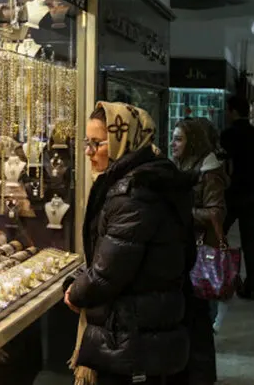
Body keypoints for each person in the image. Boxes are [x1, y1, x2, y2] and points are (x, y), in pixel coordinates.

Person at [64, 102, 193, 385]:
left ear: (123, 141)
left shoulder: (133, 193)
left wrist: (76, 292)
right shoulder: (145, 179)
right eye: (87, 142)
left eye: (97, 143)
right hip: (142, 330)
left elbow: (109, 273)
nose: (88, 152)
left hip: (132, 336)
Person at [171, 118, 228, 384]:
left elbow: (216, 212)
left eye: (179, 139)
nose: (173, 144)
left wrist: (183, 211)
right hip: (184, 252)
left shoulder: (208, 172)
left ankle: (202, 374)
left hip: (200, 253)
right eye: (173, 138)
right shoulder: (182, 167)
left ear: (192, 142)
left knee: (199, 318)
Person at [221, 95, 254, 300]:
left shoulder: (228, 135)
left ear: (233, 111)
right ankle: (251, 286)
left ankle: (215, 276)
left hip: (233, 193)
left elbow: (226, 164)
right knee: (250, 240)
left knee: (218, 233)